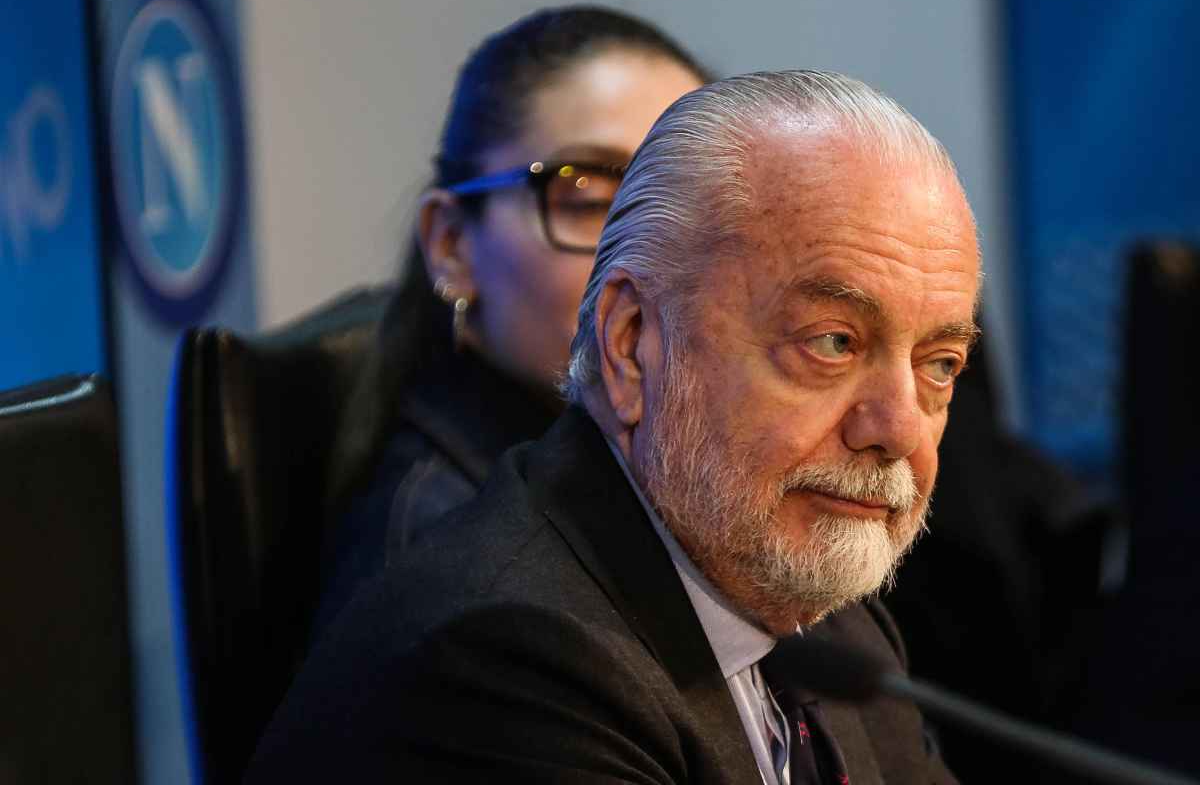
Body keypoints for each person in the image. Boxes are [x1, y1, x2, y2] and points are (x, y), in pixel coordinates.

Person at [252, 70, 978, 783]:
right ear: (632, 344)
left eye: (940, 365)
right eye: (833, 343)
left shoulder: (835, 632)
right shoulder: (508, 663)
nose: (897, 429)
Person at [315, 6, 709, 633]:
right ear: (452, 245)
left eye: (690, 204)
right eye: (589, 199)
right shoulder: (452, 570)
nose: (657, 255)